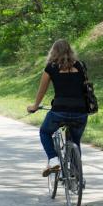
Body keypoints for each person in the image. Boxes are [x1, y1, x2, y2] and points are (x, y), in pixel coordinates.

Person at [27, 39, 88, 177]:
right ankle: (75, 173)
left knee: (44, 132)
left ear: (53, 51)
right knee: (74, 140)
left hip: (59, 111)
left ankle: (54, 159)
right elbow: (85, 88)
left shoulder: (51, 67)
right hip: (81, 111)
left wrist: (35, 106)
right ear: (70, 50)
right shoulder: (81, 66)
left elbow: (42, 90)